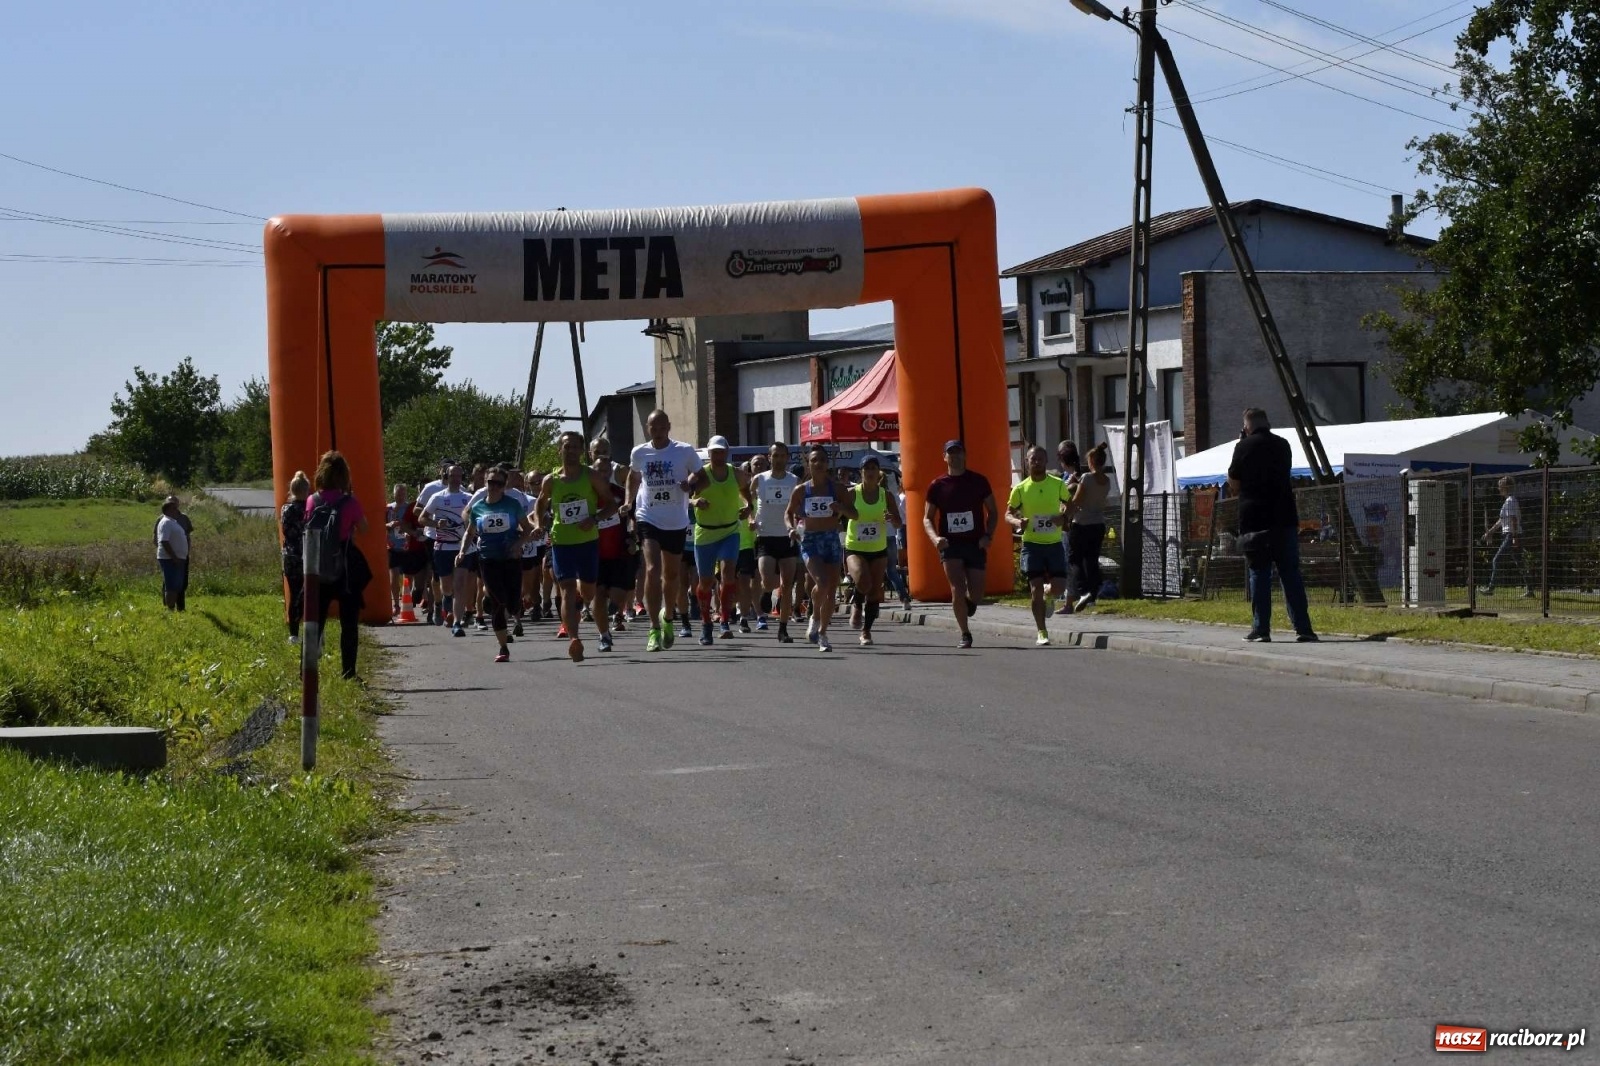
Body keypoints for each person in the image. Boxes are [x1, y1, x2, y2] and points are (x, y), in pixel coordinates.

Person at [1228, 407, 1317, 643]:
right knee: (1290, 574)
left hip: (1254, 520)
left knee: (1259, 574)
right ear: (1267, 423)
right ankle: (1304, 629)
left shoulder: (1243, 447)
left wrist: (1242, 443)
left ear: (1246, 427)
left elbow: (1234, 482)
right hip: (1284, 517)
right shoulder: (1283, 445)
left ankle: (1261, 630)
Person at [625, 410, 704, 653]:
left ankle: (668, 616)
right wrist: (628, 502)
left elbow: (700, 475)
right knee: (652, 569)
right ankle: (653, 629)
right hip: (648, 516)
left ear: (668, 427)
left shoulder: (684, 450)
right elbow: (633, 478)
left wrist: (690, 483)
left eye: (662, 428)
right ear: (647, 428)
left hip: (676, 520)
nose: (658, 433)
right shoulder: (639, 452)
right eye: (653, 428)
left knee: (671, 575)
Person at [538, 431, 619, 662]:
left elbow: (612, 505)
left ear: (582, 451)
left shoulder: (591, 476)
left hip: (587, 542)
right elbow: (540, 503)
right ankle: (574, 638)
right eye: (567, 446)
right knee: (566, 590)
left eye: (575, 447)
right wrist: (539, 523)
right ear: (559, 450)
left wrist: (594, 519)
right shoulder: (551, 480)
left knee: (588, 592)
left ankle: (582, 601)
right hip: (561, 542)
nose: (571, 450)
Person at [923, 440, 998, 649]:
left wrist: (988, 535)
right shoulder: (937, 485)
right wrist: (935, 539)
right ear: (944, 457)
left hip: (975, 543)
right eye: (950, 453)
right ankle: (965, 633)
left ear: (965, 455)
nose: (954, 456)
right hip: (950, 544)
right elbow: (927, 518)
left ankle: (969, 604)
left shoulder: (979, 481)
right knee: (957, 588)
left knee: (977, 594)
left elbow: (993, 512)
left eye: (958, 452)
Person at [305, 450, 372, 681]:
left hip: (317, 567)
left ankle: (306, 671)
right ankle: (348, 672)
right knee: (349, 623)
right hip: (344, 569)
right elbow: (364, 528)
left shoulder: (312, 500)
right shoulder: (350, 502)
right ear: (345, 475)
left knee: (315, 622)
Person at [787, 445, 858, 652]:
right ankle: (815, 615)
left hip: (831, 539)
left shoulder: (838, 489)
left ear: (828, 464)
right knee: (822, 582)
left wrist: (841, 508)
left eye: (822, 460)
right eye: (814, 460)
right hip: (810, 539)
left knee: (831, 589)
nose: (818, 464)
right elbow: (788, 512)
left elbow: (855, 515)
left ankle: (822, 632)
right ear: (808, 464)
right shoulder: (801, 490)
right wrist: (791, 528)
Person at [459, 465, 532, 663]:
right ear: (485, 483)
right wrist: (462, 551)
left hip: (511, 558)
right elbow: (470, 532)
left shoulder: (512, 504)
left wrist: (518, 544)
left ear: (504, 485)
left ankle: (501, 604)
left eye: (499, 484)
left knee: (513, 602)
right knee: (499, 602)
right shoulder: (478, 507)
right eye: (491, 482)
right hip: (488, 559)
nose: (494, 487)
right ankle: (503, 647)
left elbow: (527, 529)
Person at [688, 436, 752, 645]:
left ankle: (724, 621)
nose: (718, 456)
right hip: (705, 533)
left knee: (728, 574)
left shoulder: (736, 473)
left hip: (730, 531)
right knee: (706, 582)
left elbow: (745, 490)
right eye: (714, 452)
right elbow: (684, 496)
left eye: (721, 452)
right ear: (709, 453)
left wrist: (748, 506)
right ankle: (706, 622)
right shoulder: (700, 475)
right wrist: (695, 501)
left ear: (727, 452)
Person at [1008, 445, 1072, 645]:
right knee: (1034, 589)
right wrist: (1018, 522)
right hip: (1032, 545)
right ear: (1027, 462)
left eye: (1040, 459)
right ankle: (1042, 631)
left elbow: (1071, 505)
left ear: (1046, 461)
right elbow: (1008, 514)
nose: (1036, 462)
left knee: (1059, 587)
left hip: (1053, 544)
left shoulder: (1057, 484)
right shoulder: (1020, 488)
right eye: (1032, 459)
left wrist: (1064, 517)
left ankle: (1049, 593)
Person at [844, 454, 902, 646]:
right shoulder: (852, 493)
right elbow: (841, 514)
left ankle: (866, 631)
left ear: (878, 472)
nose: (870, 472)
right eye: (866, 468)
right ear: (861, 472)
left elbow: (898, 522)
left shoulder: (886, 495)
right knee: (863, 580)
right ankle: (856, 603)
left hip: (878, 548)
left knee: (875, 591)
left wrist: (891, 518)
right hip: (855, 547)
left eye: (873, 468)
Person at [752, 441, 801, 643]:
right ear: (769, 457)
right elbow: (747, 499)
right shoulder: (759, 479)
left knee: (787, 585)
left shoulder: (794, 480)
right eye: (775, 456)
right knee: (768, 580)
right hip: (765, 535)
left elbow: (799, 504)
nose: (779, 459)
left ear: (787, 458)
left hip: (787, 536)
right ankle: (766, 592)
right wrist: (750, 518)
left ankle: (783, 629)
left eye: (782, 456)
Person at [420, 464, 473, 636]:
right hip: (443, 547)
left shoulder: (469, 497)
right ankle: (447, 598)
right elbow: (422, 518)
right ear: (446, 477)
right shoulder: (437, 497)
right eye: (452, 476)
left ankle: (457, 622)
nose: (456, 479)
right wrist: (436, 524)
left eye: (459, 476)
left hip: (463, 547)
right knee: (447, 586)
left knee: (460, 585)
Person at [591, 441, 637, 638]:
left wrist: (633, 538)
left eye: (605, 471)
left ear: (610, 472)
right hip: (595, 553)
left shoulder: (619, 493)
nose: (602, 474)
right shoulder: (587, 494)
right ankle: (604, 635)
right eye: (598, 471)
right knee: (599, 595)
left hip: (619, 552)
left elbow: (634, 517)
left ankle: (615, 609)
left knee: (618, 595)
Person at [1065, 443, 1112, 612]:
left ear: (1091, 461)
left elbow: (1077, 500)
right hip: (1098, 523)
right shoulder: (1107, 481)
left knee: (1075, 559)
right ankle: (1093, 593)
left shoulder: (1086, 478)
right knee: (1091, 560)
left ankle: (1083, 590)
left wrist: (1065, 516)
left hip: (1081, 523)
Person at [415, 457, 455, 624]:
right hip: (434, 536)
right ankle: (437, 605)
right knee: (437, 575)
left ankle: (451, 608)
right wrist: (435, 521)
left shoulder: (461, 490)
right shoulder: (431, 488)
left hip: (456, 538)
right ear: (441, 471)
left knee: (455, 574)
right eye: (445, 468)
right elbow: (417, 510)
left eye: (451, 469)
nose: (448, 472)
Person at [1480, 476, 1532, 598]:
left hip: (1511, 534)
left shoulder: (1510, 501)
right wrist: (1490, 532)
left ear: (1505, 487)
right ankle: (1530, 590)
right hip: (1510, 534)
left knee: (1496, 560)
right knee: (1519, 562)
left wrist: (1514, 537)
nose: (1498, 489)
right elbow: (1501, 520)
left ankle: (1491, 588)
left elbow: (1513, 519)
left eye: (1500, 486)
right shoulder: (1508, 501)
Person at [385, 483, 430, 618]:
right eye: (397, 494)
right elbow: (380, 524)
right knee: (393, 576)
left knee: (408, 578)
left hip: (407, 547)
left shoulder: (410, 507)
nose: (400, 496)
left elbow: (414, 524)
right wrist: (389, 525)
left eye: (402, 494)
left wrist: (409, 532)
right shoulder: (388, 508)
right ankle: (396, 605)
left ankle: (407, 600)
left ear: (406, 494)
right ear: (393, 494)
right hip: (392, 546)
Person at [280, 470, 311, 641]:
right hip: (308, 556)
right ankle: (310, 629)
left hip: (290, 556)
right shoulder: (310, 509)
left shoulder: (286, 509)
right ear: (306, 490)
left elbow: (286, 531)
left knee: (294, 594)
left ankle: (293, 633)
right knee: (309, 595)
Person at [1056, 441, 1083, 614]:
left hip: (1069, 523)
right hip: (1073, 523)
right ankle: (1073, 596)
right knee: (1074, 561)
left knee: (1068, 562)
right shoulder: (1072, 476)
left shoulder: (1073, 478)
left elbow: (1064, 497)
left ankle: (1069, 600)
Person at [155, 496, 189, 612]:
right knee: (171, 585)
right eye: (174, 508)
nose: (177, 510)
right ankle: (170, 609)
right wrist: (174, 557)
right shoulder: (165, 522)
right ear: (168, 510)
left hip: (178, 558)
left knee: (177, 585)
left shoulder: (173, 522)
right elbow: (164, 541)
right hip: (170, 559)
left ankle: (174, 608)